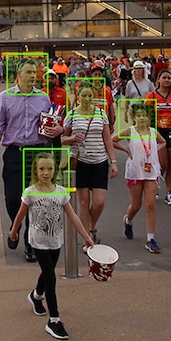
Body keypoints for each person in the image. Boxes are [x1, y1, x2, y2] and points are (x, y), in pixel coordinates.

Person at [9, 152, 94, 341]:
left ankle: (36, 295)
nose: (45, 173)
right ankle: (54, 320)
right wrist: (14, 231)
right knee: (50, 276)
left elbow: (73, 216)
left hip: (55, 241)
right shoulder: (30, 192)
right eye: (41, 169)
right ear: (36, 171)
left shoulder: (61, 192)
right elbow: (21, 214)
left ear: (55, 170)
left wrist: (86, 237)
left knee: (48, 272)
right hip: (38, 241)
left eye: (49, 169)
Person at [0, 58, 64, 263]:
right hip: (14, 152)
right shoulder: (5, 97)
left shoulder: (43, 98)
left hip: (36, 153)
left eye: (35, 72)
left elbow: (50, 125)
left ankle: (30, 243)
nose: (33, 76)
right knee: (13, 198)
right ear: (19, 75)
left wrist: (57, 130)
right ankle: (17, 224)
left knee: (34, 200)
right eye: (29, 72)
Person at [61, 82, 117, 244]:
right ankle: (88, 239)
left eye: (89, 95)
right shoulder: (71, 115)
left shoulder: (101, 114)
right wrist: (73, 138)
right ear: (78, 96)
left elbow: (107, 139)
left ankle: (91, 226)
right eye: (83, 95)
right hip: (80, 161)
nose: (86, 99)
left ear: (94, 97)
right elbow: (63, 139)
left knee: (99, 202)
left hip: (99, 160)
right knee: (84, 202)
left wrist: (113, 162)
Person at [112, 102, 166, 254]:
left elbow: (163, 142)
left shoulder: (153, 132)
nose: (142, 118)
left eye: (145, 115)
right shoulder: (130, 131)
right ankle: (128, 220)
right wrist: (126, 150)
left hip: (151, 170)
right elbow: (112, 140)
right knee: (136, 204)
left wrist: (155, 151)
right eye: (139, 115)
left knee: (150, 203)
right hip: (135, 170)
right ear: (134, 117)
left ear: (149, 118)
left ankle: (151, 238)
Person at [146, 69, 171, 206]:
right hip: (158, 132)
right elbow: (147, 116)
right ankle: (154, 183)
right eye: (164, 78)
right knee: (163, 164)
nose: (167, 80)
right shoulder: (152, 95)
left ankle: (169, 193)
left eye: (169, 78)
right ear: (158, 80)